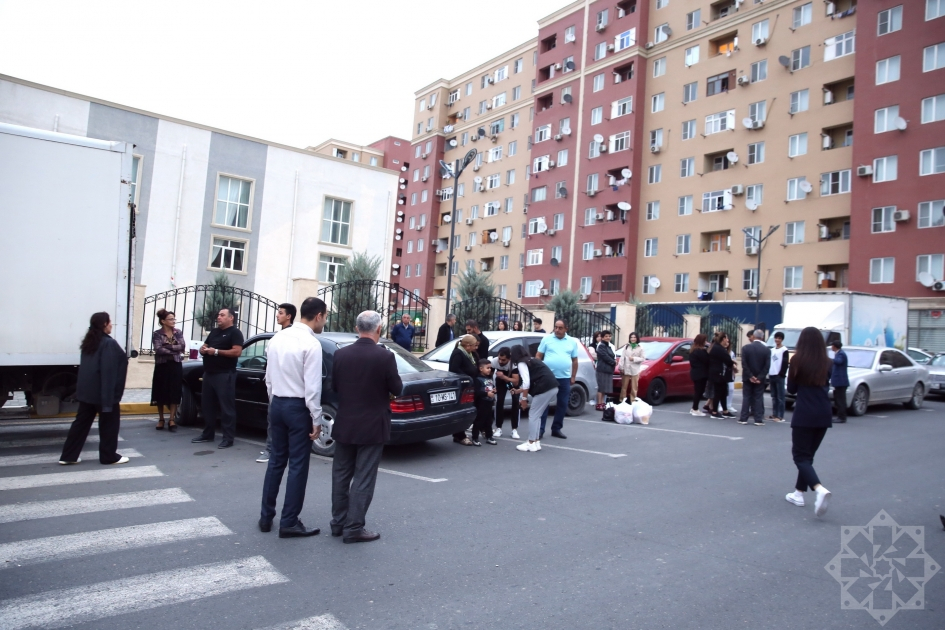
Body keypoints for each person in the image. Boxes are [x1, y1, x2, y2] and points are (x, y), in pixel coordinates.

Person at [330, 310, 403, 543]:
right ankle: (353, 527)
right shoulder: (384, 356)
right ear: (379, 329)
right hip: (372, 424)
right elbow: (397, 388)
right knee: (364, 477)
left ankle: (338, 522)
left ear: (356, 328)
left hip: (345, 422)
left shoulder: (340, 354)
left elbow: (334, 387)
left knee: (341, 475)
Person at [259, 297, 327, 538]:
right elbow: (312, 387)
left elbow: (268, 377)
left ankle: (266, 517)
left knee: (276, 460)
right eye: (325, 317)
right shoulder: (311, 343)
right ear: (318, 316)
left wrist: (274, 402)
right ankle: (289, 521)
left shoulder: (277, 338)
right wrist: (316, 418)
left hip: (277, 402)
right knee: (298, 464)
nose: (324, 322)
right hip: (298, 407)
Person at [59, 312, 130, 465]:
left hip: (87, 393)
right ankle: (108, 456)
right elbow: (109, 371)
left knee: (81, 424)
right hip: (104, 393)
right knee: (109, 425)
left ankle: (68, 455)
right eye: (109, 322)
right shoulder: (108, 343)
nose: (111, 324)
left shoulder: (90, 342)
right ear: (104, 324)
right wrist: (109, 397)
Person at [785, 326, 834, 517]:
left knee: (800, 456)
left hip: (805, 413)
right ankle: (799, 493)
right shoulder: (828, 362)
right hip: (824, 413)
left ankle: (818, 488)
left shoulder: (797, 360)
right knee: (808, 456)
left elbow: (791, 389)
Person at [191, 307, 244, 449]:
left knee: (226, 408)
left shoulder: (235, 333)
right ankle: (208, 434)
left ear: (231, 318)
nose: (218, 317)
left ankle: (228, 438)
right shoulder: (214, 332)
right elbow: (205, 345)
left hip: (224, 374)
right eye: (218, 315)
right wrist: (203, 349)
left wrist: (216, 352)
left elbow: (237, 352)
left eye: (222, 315)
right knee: (207, 406)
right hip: (209, 374)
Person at [257, 302, 297, 463]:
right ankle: (273, 449)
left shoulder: (290, 336)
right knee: (274, 419)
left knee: (274, 419)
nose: (277, 315)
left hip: (282, 385)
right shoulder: (279, 336)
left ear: (289, 316)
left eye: (280, 313)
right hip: (275, 383)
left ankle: (271, 450)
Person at [510, 345, 558, 452]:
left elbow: (526, 382)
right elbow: (531, 380)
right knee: (537, 415)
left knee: (533, 415)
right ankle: (536, 442)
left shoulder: (521, 363)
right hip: (553, 387)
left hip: (544, 388)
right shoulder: (531, 360)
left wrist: (523, 399)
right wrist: (519, 390)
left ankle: (531, 442)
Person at [536, 320, 579, 439]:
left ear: (566, 329)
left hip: (564, 378)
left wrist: (573, 376)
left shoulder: (572, 342)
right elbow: (538, 356)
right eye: (555, 327)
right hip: (548, 377)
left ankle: (556, 428)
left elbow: (575, 360)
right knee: (544, 403)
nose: (557, 330)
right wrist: (539, 371)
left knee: (563, 403)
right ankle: (540, 430)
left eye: (560, 328)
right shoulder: (547, 339)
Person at [150, 309, 185, 432]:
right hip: (162, 365)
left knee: (174, 391)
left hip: (175, 365)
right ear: (163, 321)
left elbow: (182, 346)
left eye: (174, 319)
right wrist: (174, 350)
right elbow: (158, 349)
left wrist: (167, 347)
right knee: (160, 391)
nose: (173, 321)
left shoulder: (178, 332)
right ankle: (161, 419)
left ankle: (171, 419)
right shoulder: (157, 334)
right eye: (170, 319)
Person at [449, 335, 481, 445]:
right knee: (462, 411)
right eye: (474, 345)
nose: (475, 348)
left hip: (470, 386)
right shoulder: (458, 353)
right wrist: (467, 377)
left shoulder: (470, 353)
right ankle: (459, 435)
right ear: (467, 345)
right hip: (462, 387)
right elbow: (454, 369)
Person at [738, 330, 771, 426]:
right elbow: (767, 366)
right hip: (760, 379)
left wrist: (750, 376)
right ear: (762, 337)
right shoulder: (766, 350)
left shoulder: (746, 348)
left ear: (754, 336)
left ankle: (743, 418)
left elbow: (744, 364)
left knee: (746, 397)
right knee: (758, 398)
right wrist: (759, 377)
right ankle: (758, 419)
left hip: (747, 378)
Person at [491, 347, 520, 439]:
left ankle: (514, 429)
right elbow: (489, 376)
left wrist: (504, 377)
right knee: (499, 401)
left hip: (510, 379)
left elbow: (516, 382)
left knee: (515, 402)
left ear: (509, 359)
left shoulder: (513, 364)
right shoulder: (494, 361)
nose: (500, 361)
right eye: (499, 358)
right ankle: (498, 428)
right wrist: (492, 386)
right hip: (500, 380)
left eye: (503, 360)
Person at [708, 332, 736, 418]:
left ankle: (725, 411)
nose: (727, 340)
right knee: (718, 393)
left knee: (723, 392)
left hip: (720, 374)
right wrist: (732, 363)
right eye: (726, 338)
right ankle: (714, 412)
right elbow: (728, 360)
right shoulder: (719, 349)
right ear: (723, 339)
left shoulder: (717, 347)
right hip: (718, 374)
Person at [472, 359, 497, 446]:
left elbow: (491, 386)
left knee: (489, 421)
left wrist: (494, 390)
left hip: (489, 402)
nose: (489, 370)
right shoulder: (477, 379)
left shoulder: (489, 378)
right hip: (481, 403)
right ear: (481, 369)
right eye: (487, 368)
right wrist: (487, 394)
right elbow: (476, 392)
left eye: (490, 368)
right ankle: (475, 438)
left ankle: (489, 436)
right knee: (479, 420)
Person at [768, 332, 789, 422]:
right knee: (774, 396)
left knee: (780, 397)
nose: (777, 340)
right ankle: (774, 414)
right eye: (776, 338)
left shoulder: (784, 350)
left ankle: (780, 415)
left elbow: (785, 363)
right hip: (772, 374)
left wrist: (781, 374)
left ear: (782, 339)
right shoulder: (772, 350)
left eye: (779, 338)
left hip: (779, 376)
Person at [619, 332, 645, 403]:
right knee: (624, 386)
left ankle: (633, 401)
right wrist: (621, 367)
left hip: (635, 369)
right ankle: (622, 400)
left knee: (634, 387)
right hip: (626, 368)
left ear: (637, 338)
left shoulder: (640, 347)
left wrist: (634, 359)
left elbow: (643, 358)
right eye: (631, 337)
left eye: (634, 337)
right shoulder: (626, 346)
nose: (633, 339)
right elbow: (622, 357)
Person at [689, 334, 710, 416]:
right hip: (701, 374)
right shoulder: (700, 351)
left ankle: (694, 408)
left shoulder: (693, 350)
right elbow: (707, 361)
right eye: (705, 340)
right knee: (699, 392)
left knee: (698, 391)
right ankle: (695, 409)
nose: (706, 342)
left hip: (695, 373)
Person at [595, 331, 616, 410]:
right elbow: (605, 356)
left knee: (604, 388)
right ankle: (599, 404)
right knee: (601, 387)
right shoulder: (601, 346)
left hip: (608, 369)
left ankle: (602, 403)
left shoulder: (608, 346)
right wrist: (613, 362)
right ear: (602, 337)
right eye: (606, 336)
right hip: (602, 369)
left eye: (609, 336)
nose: (608, 338)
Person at [830, 340, 849, 423]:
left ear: (835, 346)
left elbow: (839, 361)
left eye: (832, 345)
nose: (831, 347)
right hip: (838, 381)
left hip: (841, 381)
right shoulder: (838, 353)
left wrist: (830, 360)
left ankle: (842, 417)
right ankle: (840, 415)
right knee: (838, 399)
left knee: (841, 400)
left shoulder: (841, 354)